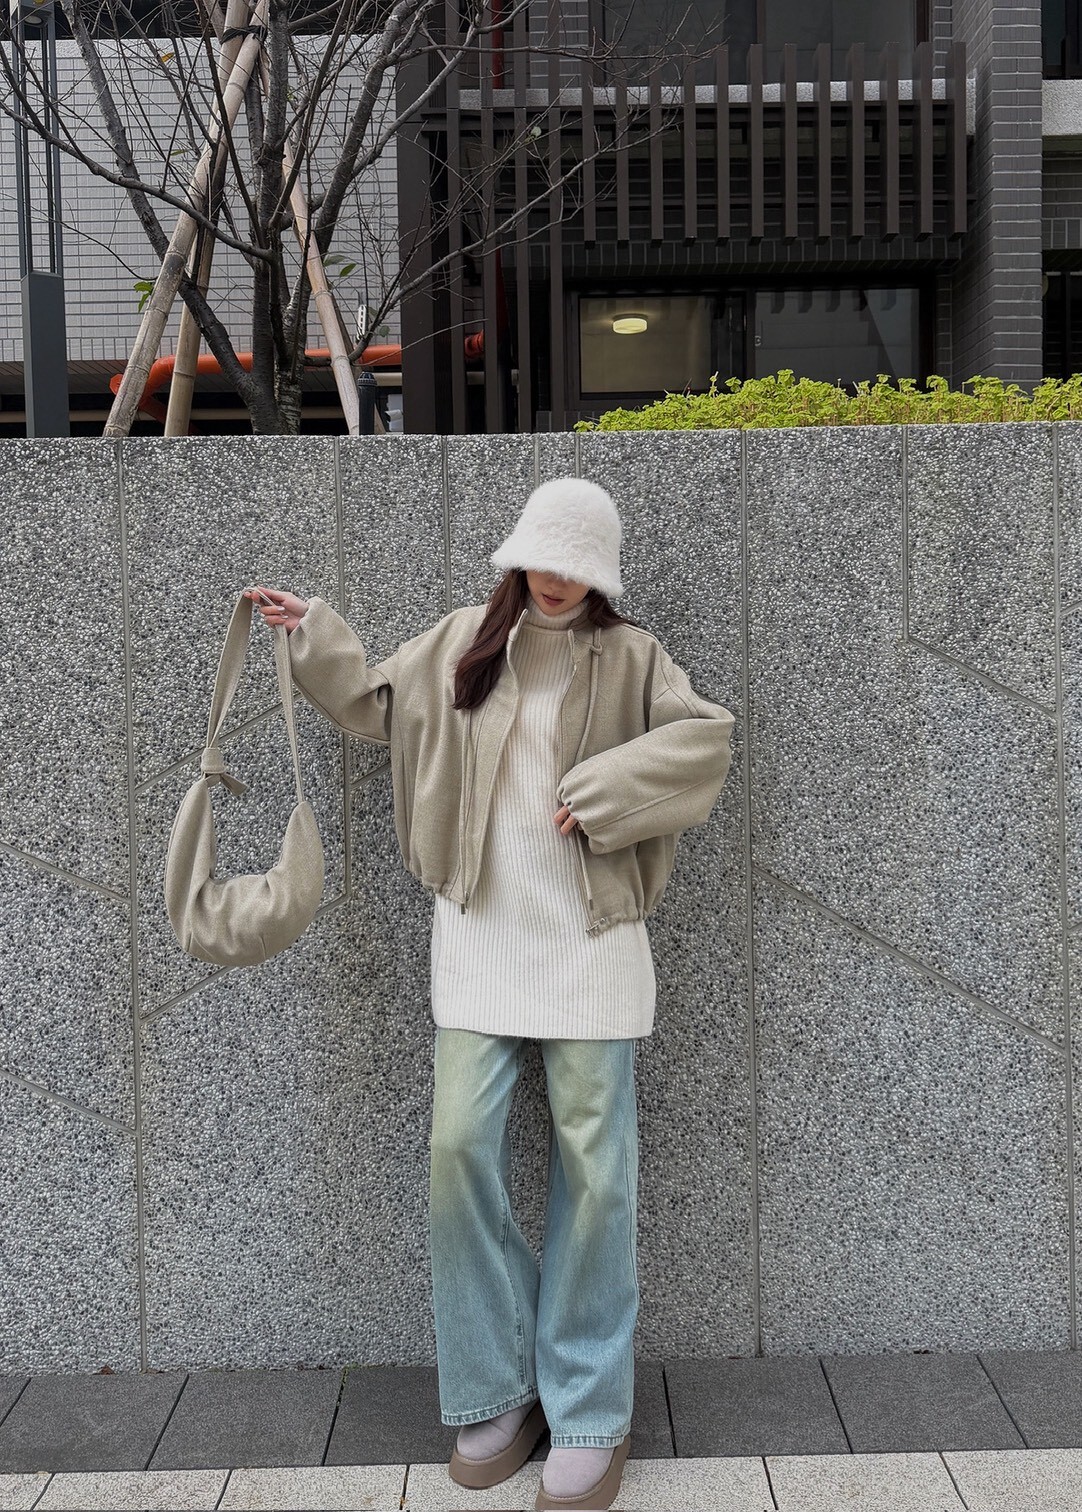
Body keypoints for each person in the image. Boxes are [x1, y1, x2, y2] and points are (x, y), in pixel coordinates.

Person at [244, 476, 735, 1512]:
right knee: (458, 1151)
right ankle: (499, 1386)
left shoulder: (633, 658)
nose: (556, 581)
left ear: (600, 574)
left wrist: (602, 793)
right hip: (479, 943)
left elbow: (706, 744)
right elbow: (375, 705)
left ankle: (589, 1410)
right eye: (542, 561)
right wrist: (313, 632)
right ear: (517, 557)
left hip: (593, 948)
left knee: (596, 1180)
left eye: (576, 567)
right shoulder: (462, 640)